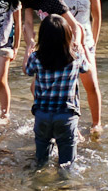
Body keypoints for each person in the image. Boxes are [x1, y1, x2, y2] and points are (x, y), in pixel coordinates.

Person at [9, 0, 101, 132]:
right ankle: (50, 118)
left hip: (73, 41)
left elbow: (74, 26)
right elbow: (28, 24)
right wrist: (30, 42)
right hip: (51, 45)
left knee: (90, 84)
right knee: (34, 87)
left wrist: (76, 47)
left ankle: (96, 124)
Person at [26, 14, 90, 169]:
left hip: (42, 115)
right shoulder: (75, 57)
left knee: (40, 161)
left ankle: (36, 188)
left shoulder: (37, 57)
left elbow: (28, 70)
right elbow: (86, 67)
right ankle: (65, 190)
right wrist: (81, 45)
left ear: (43, 38)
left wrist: (28, 49)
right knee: (67, 164)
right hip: (66, 116)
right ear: (67, 36)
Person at [54, 0, 103, 130]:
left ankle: (96, 123)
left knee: (91, 84)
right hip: (63, 45)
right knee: (66, 86)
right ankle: (69, 122)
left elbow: (96, 19)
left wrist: (93, 44)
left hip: (85, 44)